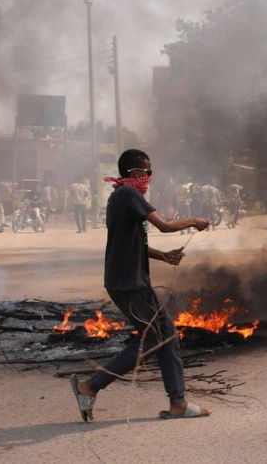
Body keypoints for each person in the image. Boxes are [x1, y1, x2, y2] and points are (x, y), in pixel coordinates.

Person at [69, 148, 212, 422]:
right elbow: (166, 226)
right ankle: (91, 385)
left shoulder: (120, 197)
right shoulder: (128, 195)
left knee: (166, 335)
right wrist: (194, 220)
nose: (149, 177)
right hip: (129, 283)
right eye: (148, 172)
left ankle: (178, 403)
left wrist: (163, 256)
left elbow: (134, 243)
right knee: (153, 339)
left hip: (128, 281)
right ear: (136, 172)